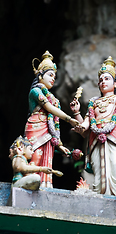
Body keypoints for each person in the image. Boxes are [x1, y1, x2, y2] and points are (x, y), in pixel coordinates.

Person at [70, 56, 116, 196]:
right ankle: (100, 194)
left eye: (107, 79)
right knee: (99, 170)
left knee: (115, 164)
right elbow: (87, 124)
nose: (103, 82)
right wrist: (77, 116)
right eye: (101, 80)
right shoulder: (94, 103)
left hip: (115, 137)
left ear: (115, 83)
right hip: (96, 139)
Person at [25, 50, 79, 188]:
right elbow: (48, 108)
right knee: (35, 156)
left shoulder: (54, 98)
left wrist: (60, 146)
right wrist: (69, 119)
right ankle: (28, 182)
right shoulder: (36, 91)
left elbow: (54, 124)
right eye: (50, 75)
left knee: (46, 158)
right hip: (36, 126)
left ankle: (43, 186)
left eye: (54, 76)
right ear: (40, 75)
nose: (53, 78)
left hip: (48, 131)